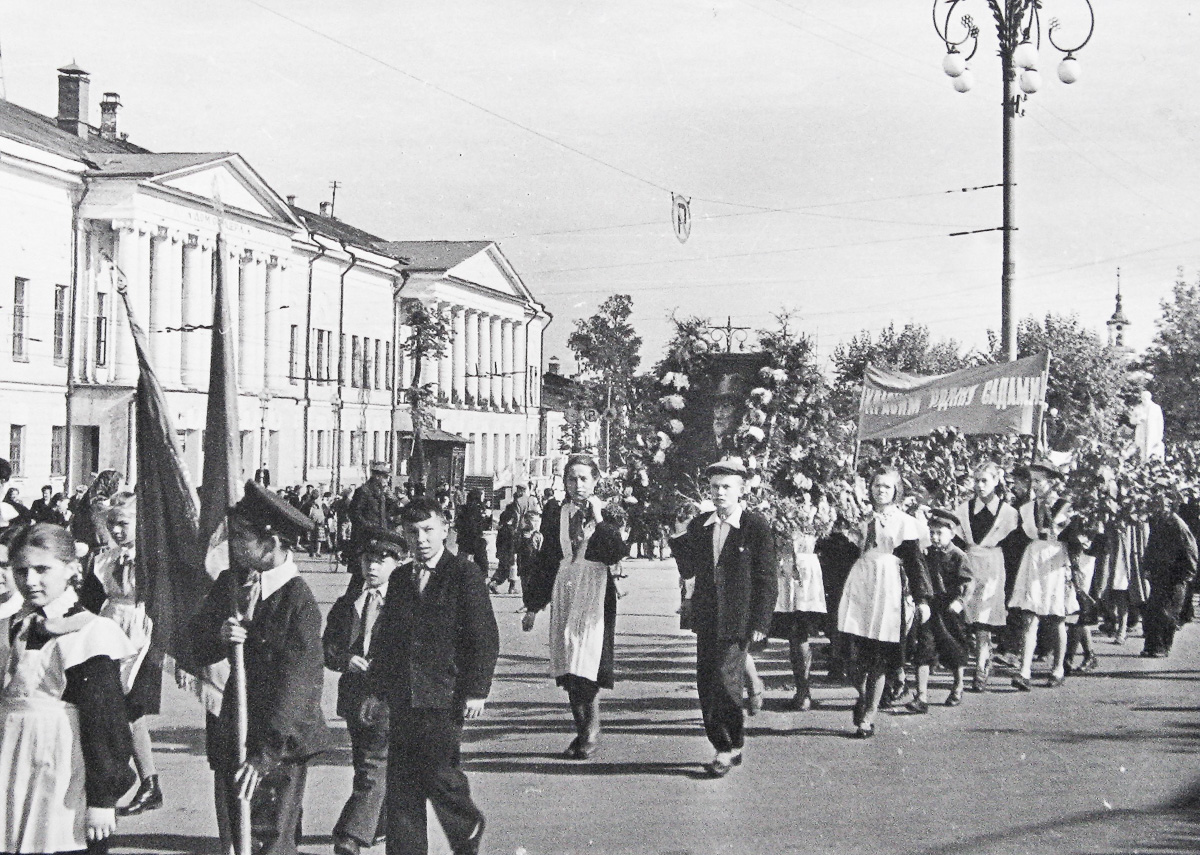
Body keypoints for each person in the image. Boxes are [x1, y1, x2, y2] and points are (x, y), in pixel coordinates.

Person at [190, 481, 331, 855]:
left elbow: (298, 688)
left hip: (277, 744)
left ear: (271, 544)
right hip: (234, 731)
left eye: (241, 537)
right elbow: (196, 646)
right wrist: (220, 634)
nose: (233, 545)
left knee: (270, 841)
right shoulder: (231, 583)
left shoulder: (298, 602)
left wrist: (264, 756)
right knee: (236, 840)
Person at [367, 498, 498, 855]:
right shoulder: (400, 578)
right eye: (412, 532)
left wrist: (476, 690)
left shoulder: (464, 574)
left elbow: (483, 637)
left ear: (444, 529)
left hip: (445, 693)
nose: (421, 539)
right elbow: (389, 638)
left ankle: (465, 823)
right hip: (404, 694)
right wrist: (376, 689)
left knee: (440, 772)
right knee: (403, 781)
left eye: (428, 530)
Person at [2, 523, 137, 854]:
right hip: (11, 762)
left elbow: (105, 721)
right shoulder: (11, 626)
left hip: (63, 768)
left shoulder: (91, 632)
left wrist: (103, 799)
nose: (30, 580)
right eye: (21, 571)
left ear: (72, 569)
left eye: (42, 569)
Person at [670, 459, 777, 776]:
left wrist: (760, 622)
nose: (719, 493)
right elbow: (689, 570)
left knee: (725, 680)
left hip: (739, 618)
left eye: (726, 487)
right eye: (714, 487)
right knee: (706, 681)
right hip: (708, 617)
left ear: (741, 491)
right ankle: (725, 744)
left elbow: (766, 579)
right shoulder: (700, 525)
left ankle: (728, 747)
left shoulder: (755, 527)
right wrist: (677, 539)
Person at [523, 454, 629, 760]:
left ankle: (591, 729)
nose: (578, 485)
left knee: (587, 659)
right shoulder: (557, 511)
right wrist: (533, 605)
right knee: (568, 661)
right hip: (565, 585)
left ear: (595, 480)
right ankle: (581, 728)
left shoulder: (607, 513)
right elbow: (547, 560)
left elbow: (616, 552)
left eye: (584, 479)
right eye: (572, 479)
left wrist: (598, 517)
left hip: (594, 587)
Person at [80, 493, 164, 817]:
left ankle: (139, 781)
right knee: (122, 709)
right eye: (112, 523)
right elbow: (89, 598)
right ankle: (145, 781)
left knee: (128, 708)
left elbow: (163, 599)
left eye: (123, 524)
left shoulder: (151, 561)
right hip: (108, 628)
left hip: (140, 633)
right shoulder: (104, 559)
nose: (116, 530)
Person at [325, 532, 408, 855]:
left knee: (373, 765)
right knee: (365, 764)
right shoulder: (349, 603)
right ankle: (379, 825)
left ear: (398, 564)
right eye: (367, 560)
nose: (372, 566)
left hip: (388, 699)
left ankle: (350, 835)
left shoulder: (405, 603)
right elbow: (328, 647)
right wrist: (345, 659)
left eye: (381, 560)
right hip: (354, 699)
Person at [836, 467, 931, 739]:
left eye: (887, 486)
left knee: (878, 653)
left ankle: (869, 715)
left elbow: (915, 561)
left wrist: (922, 598)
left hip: (887, 585)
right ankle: (864, 696)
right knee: (852, 650)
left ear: (896, 491)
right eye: (877, 485)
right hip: (860, 582)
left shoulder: (904, 521)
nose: (881, 490)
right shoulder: (860, 517)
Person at [1009, 460, 1080, 690]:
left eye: (1039, 481)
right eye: (1033, 481)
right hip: (1035, 556)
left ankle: (1058, 667)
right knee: (1029, 614)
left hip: (1056, 559)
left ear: (1051, 482)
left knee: (1056, 617)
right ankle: (1024, 670)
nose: (1035, 485)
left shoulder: (1066, 506)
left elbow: (1076, 539)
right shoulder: (1027, 508)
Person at [953, 461, 1024, 692]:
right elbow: (956, 541)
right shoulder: (963, 510)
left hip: (994, 567)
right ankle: (972, 663)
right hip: (970, 565)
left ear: (996, 481)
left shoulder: (1008, 513)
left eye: (985, 480)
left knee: (984, 621)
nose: (980, 485)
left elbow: (1014, 550)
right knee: (967, 619)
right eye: (977, 480)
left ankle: (981, 670)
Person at [768, 492, 831, 711]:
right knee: (794, 634)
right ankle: (800, 689)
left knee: (799, 633)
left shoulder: (820, 501)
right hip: (783, 567)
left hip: (803, 570)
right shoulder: (769, 500)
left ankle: (804, 690)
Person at [907, 509, 972, 711]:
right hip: (931, 607)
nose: (934, 538)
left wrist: (960, 601)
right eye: (931, 532)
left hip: (950, 609)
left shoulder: (958, 556)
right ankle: (922, 697)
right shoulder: (927, 554)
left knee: (955, 648)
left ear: (952, 534)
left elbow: (969, 583)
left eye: (939, 533)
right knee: (924, 649)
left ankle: (958, 686)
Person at [1140, 492, 1199, 659]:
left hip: (1175, 576)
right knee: (1153, 611)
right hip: (1160, 574)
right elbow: (1151, 546)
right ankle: (1152, 646)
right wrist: (1147, 566)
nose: (1156, 507)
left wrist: (1186, 575)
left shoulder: (1177, 524)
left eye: (1160, 504)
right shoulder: (1159, 522)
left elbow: (1191, 550)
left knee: (1167, 613)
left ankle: (1162, 647)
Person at [347, 462, 403, 569]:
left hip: (380, 535)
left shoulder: (382, 492)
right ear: (377, 476)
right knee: (361, 573)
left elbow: (391, 512)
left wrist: (394, 500)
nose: (387, 480)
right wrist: (369, 527)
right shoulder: (363, 491)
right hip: (365, 537)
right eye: (385, 477)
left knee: (381, 570)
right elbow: (354, 514)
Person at [70, 470, 123, 554]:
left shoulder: (89, 502)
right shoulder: (98, 508)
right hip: (99, 555)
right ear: (111, 486)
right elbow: (104, 537)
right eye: (119, 485)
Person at [456, 490, 491, 574]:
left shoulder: (463, 508)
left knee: (461, 558)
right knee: (481, 559)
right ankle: (482, 575)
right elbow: (482, 523)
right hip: (476, 537)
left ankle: (457, 574)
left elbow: (458, 523)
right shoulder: (480, 508)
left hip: (464, 537)